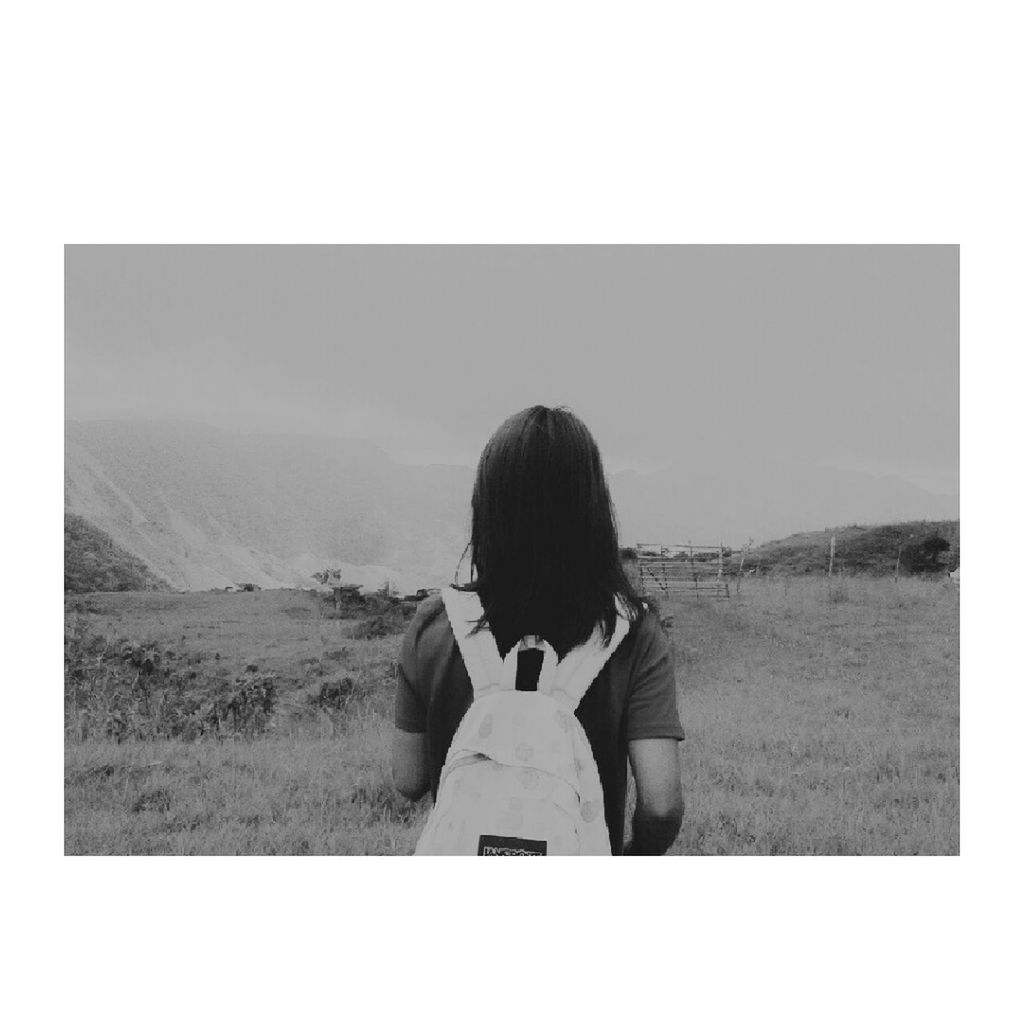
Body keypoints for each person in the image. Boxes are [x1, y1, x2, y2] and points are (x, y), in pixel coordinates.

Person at [392, 405, 684, 855]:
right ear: (593, 510)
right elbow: (662, 804)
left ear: (487, 506)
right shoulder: (631, 632)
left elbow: (407, 779)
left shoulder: (435, 624)